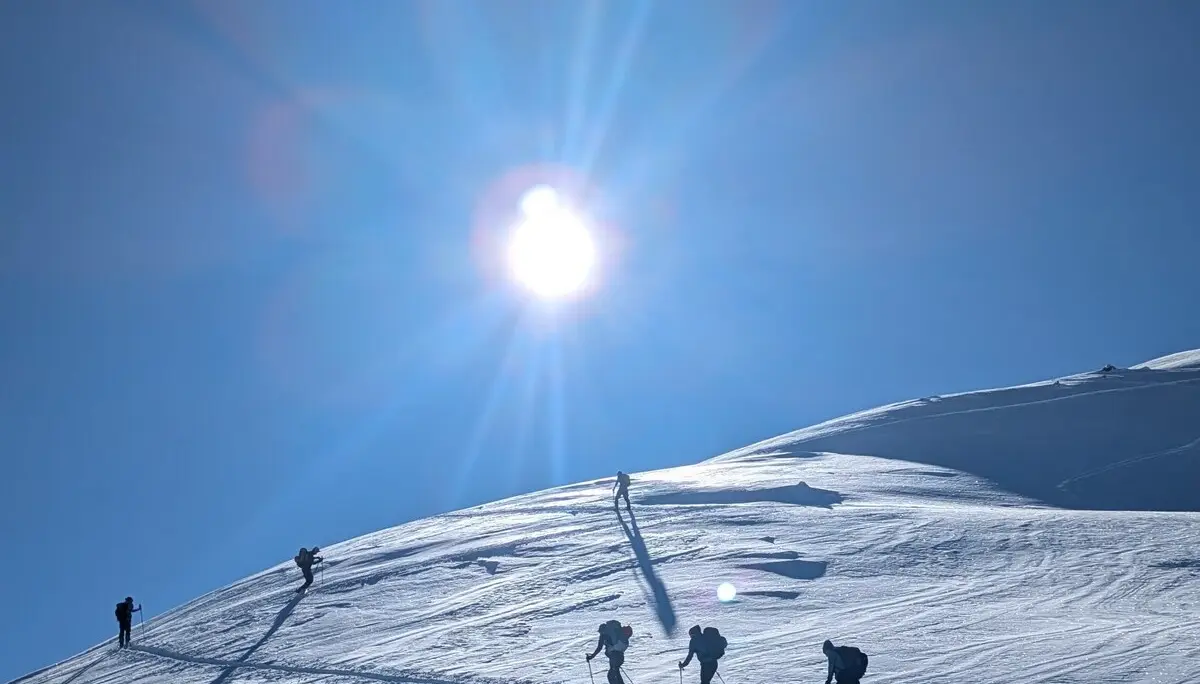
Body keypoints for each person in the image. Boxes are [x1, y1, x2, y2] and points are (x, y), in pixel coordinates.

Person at [587, 619, 632, 684]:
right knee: (615, 674)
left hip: (615, 657)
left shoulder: (604, 635)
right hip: (620, 656)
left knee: (611, 676)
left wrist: (591, 657)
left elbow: (599, 648)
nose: (600, 633)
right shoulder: (614, 634)